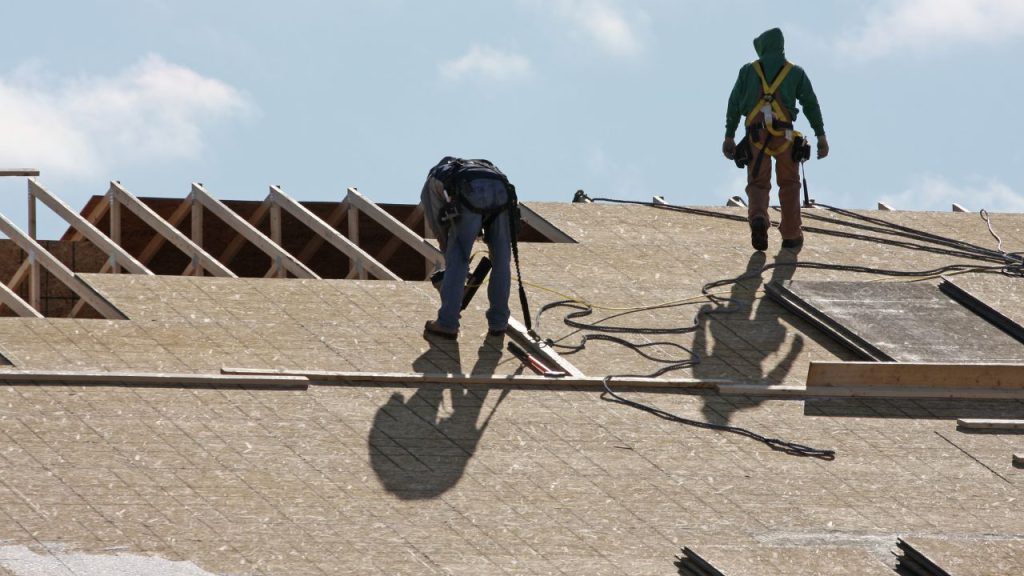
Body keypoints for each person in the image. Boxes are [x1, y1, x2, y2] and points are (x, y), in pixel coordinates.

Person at [722, 27, 829, 252]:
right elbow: (811, 104)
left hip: (756, 135)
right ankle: (791, 234)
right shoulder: (795, 73)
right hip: (785, 137)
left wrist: (729, 136)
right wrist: (821, 136)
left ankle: (759, 217)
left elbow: (733, 104)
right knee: (789, 184)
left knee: (758, 183)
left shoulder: (747, 72)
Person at [420, 157, 513, 340]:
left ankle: (447, 323)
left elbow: (439, 226)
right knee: (502, 260)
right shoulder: (482, 167)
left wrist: (451, 259)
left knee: (458, 259)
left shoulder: (432, 182)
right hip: (502, 190)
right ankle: (499, 323)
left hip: (470, 191)